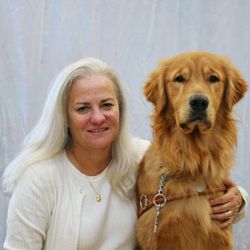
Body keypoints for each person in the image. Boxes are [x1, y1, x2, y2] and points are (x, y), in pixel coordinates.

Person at [2, 57, 248, 250]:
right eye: (83, 108)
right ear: (64, 117)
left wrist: (240, 198)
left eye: (107, 105)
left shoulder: (144, 158)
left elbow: (198, 185)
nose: (98, 117)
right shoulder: (37, 180)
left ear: (120, 109)